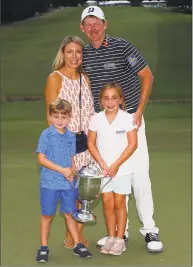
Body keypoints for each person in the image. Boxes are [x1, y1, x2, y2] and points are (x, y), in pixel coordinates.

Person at [80, 6, 163, 252]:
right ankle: (119, 234)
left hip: (130, 121)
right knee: (112, 176)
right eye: (88, 25)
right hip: (103, 123)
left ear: (106, 25)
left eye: (98, 24)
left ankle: (149, 230)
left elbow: (147, 76)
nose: (93, 29)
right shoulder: (84, 55)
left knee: (138, 175)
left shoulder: (122, 46)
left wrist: (138, 110)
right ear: (82, 29)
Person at [44, 36, 94, 249]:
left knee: (86, 195)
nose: (74, 56)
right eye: (70, 52)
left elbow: (90, 111)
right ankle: (75, 238)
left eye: (79, 52)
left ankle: (72, 236)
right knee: (70, 194)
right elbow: (51, 116)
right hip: (66, 146)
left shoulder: (85, 78)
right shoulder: (55, 78)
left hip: (87, 145)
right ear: (62, 53)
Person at [36, 99, 92, 262]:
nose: (60, 120)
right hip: (49, 183)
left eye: (63, 117)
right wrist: (62, 170)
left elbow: (71, 157)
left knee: (70, 214)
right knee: (47, 215)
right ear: (50, 117)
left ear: (69, 118)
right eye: (56, 117)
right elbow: (41, 159)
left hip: (67, 183)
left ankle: (77, 244)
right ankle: (44, 247)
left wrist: (73, 172)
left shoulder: (70, 136)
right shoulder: (46, 135)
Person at [88, 82, 137, 256]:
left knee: (119, 203)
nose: (110, 102)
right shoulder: (96, 118)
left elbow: (132, 144)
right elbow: (91, 143)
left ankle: (120, 239)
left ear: (121, 100)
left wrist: (116, 165)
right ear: (101, 101)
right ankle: (110, 237)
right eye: (106, 98)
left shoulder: (127, 118)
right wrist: (102, 163)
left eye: (114, 98)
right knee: (107, 203)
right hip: (103, 170)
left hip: (122, 169)